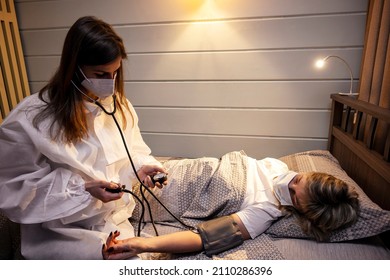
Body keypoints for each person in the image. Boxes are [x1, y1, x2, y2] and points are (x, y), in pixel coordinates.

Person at [0, 16, 167, 259]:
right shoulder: (30, 117)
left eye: (115, 73)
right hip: (61, 231)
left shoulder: (119, 107)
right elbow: (13, 189)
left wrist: (142, 167)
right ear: (74, 67)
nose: (109, 84)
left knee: (135, 261)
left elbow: (134, 149)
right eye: (100, 74)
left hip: (115, 221)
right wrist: (83, 189)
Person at [102, 156, 360, 260]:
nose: (287, 187)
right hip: (164, 169)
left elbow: (203, 237)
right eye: (297, 181)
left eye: (293, 197)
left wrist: (142, 244)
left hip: (155, 195)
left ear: (302, 211)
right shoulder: (278, 167)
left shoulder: (265, 212)